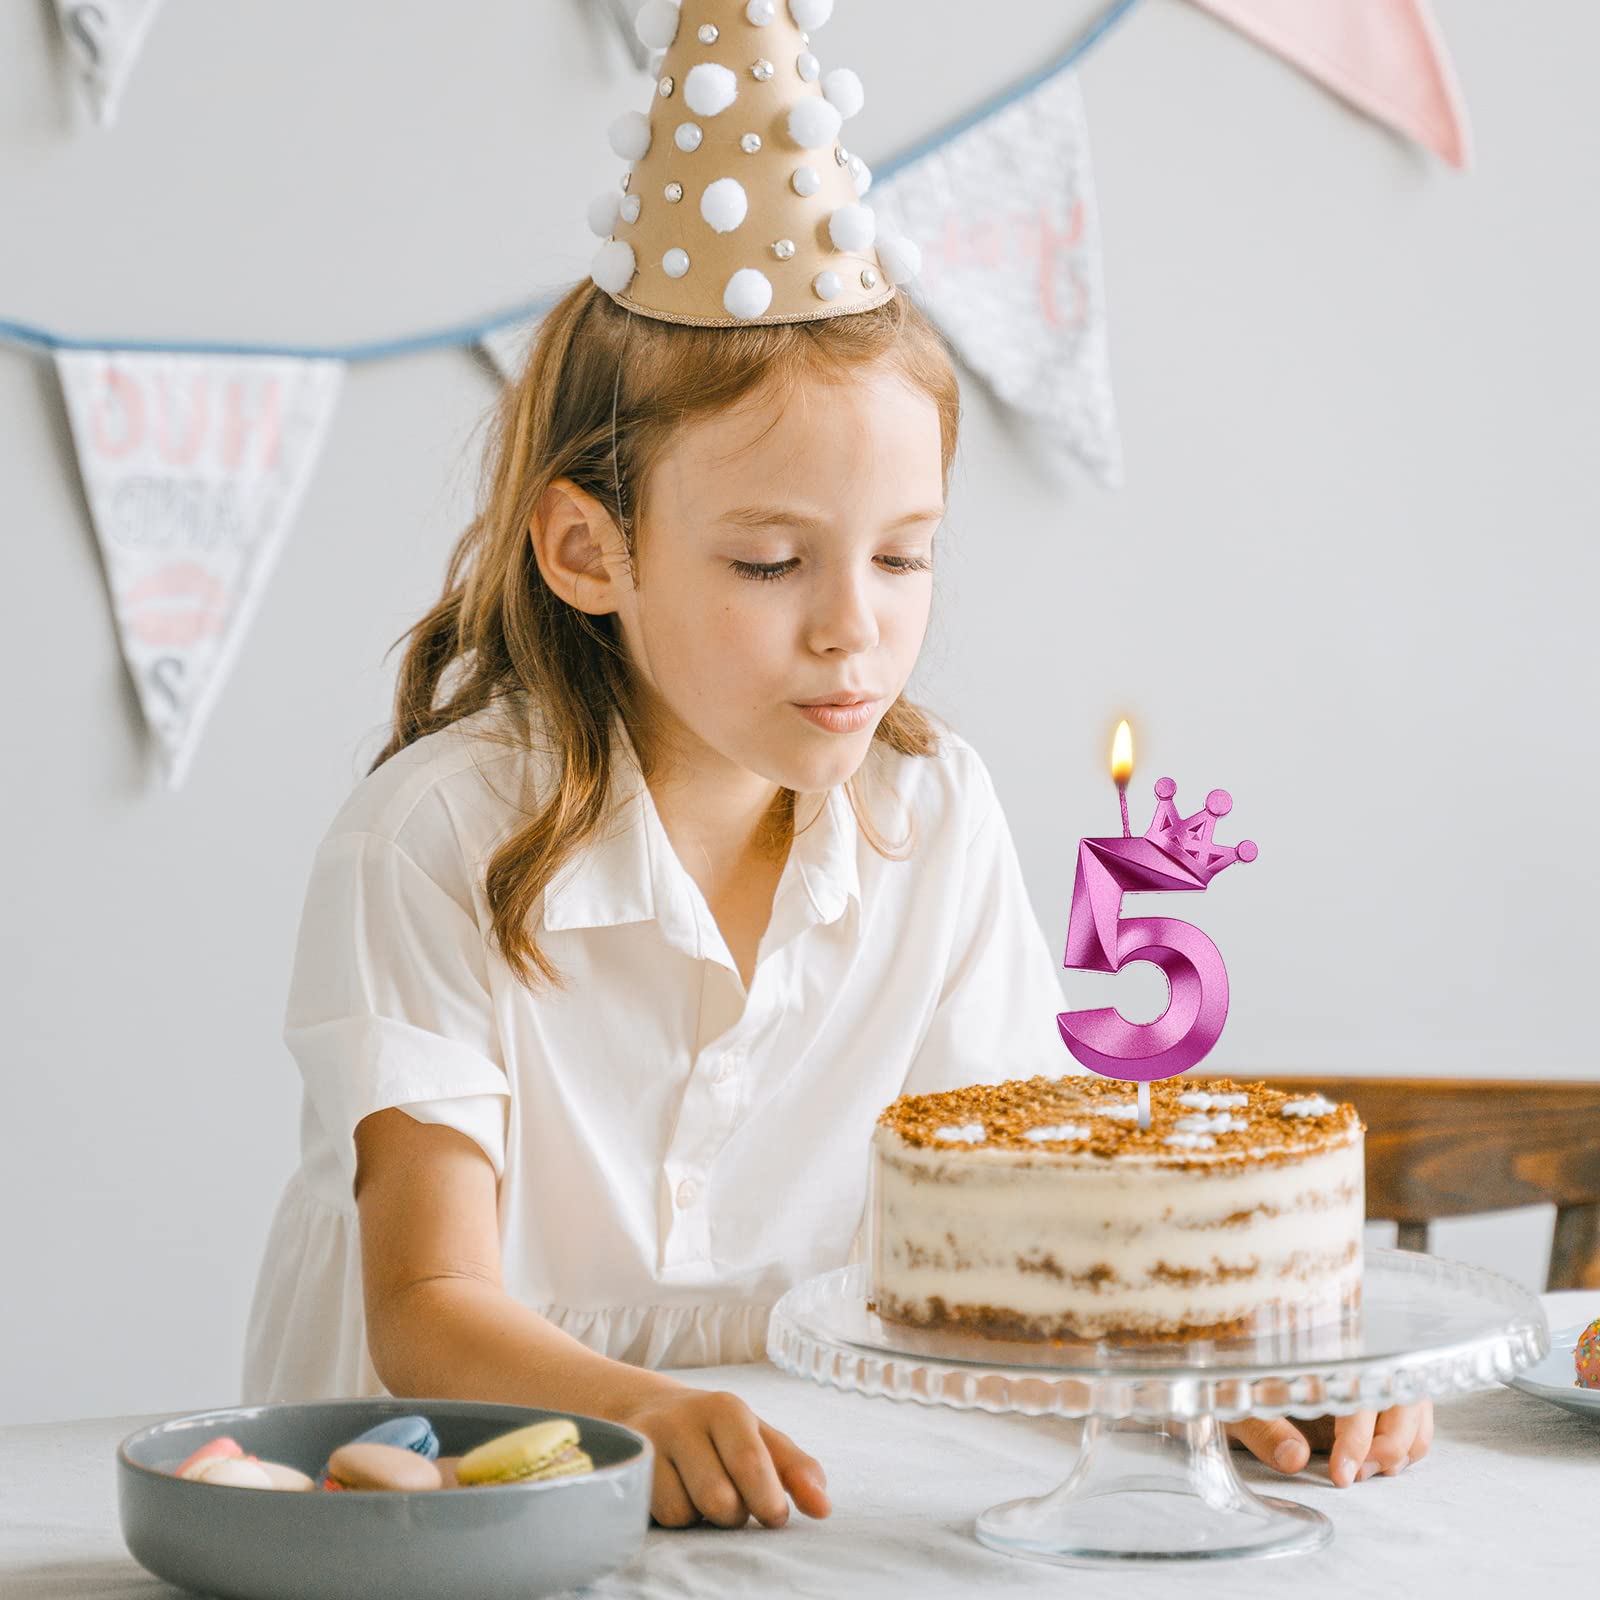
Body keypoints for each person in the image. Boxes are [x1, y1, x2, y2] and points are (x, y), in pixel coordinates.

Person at [241, 0, 1429, 1529]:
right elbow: (426, 1301)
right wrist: (645, 1409)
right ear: (591, 550)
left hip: (803, 1498)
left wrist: (1231, 1370)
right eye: (768, 563)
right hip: (446, 1498)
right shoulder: (440, 838)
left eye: (904, 557)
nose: (851, 635)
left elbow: (1014, 1242)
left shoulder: (927, 820)